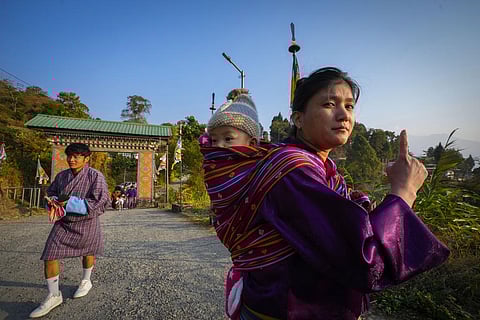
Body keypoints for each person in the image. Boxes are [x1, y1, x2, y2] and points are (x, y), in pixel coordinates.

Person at [201, 67, 450, 320]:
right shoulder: (293, 170)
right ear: (298, 119)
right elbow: (362, 262)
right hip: (287, 310)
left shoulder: (320, 166)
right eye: (329, 104)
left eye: (349, 106)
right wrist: (404, 191)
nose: (343, 115)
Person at [30, 143, 110, 318]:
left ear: (86, 158)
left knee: (88, 251)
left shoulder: (95, 176)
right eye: (69, 156)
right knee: (50, 254)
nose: (72, 160)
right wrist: (52, 201)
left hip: (87, 222)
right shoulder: (61, 176)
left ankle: (86, 280)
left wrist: (72, 202)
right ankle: (53, 295)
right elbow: (51, 193)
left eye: (77, 156)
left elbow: (102, 201)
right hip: (64, 223)